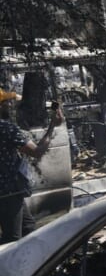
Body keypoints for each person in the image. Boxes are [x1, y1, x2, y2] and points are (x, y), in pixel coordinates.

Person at [0, 90, 63, 244]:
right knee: (12, 238)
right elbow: (37, 152)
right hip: (8, 191)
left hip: (9, 191)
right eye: (5, 103)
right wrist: (52, 126)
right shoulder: (5, 128)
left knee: (28, 227)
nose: (10, 105)